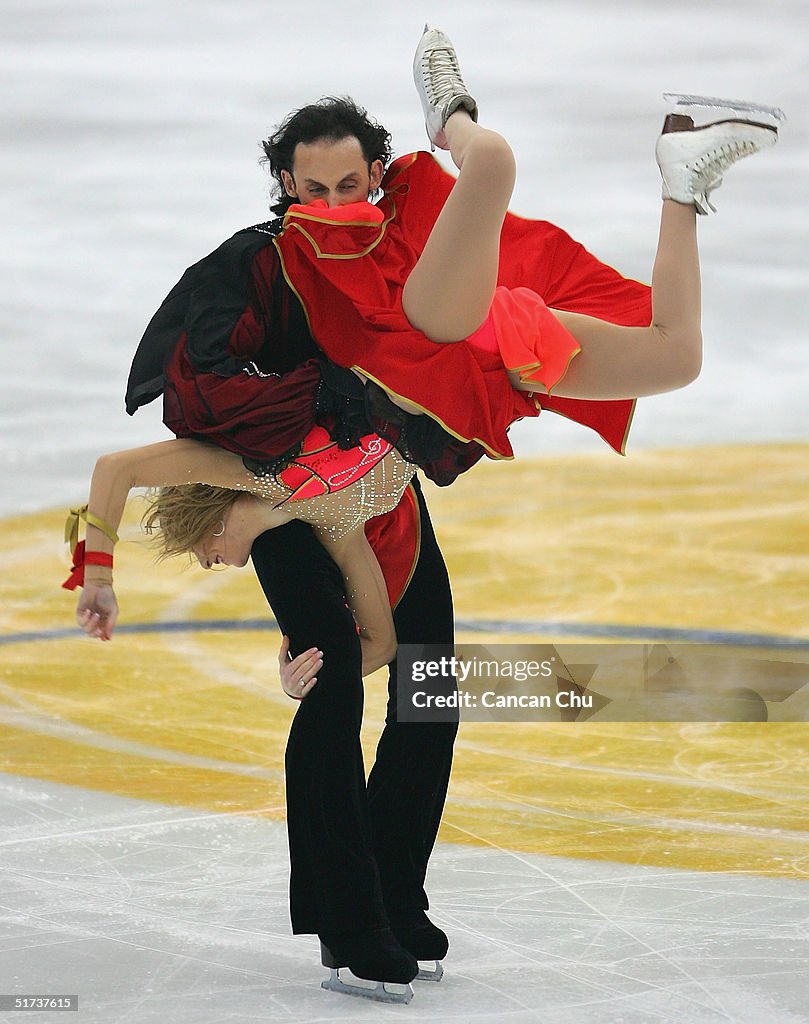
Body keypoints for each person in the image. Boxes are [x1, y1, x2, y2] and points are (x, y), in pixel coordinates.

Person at [81, 22, 778, 1001]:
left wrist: (97, 576)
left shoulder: (361, 262)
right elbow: (353, 620)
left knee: (639, 323)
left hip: (433, 346)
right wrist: (301, 654)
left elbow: (116, 474)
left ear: (376, 175)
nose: (327, 204)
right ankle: (360, 912)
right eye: (307, 190)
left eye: (347, 185)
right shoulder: (275, 344)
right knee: (389, 691)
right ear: (284, 190)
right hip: (412, 407)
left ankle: (469, 110)